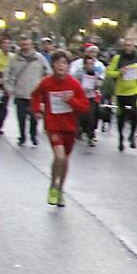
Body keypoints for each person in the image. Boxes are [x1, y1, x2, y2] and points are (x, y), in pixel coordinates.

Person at [29, 51, 91, 207]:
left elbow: (84, 107)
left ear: (68, 66)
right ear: (53, 65)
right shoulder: (46, 82)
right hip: (53, 126)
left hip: (69, 127)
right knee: (60, 157)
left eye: (64, 63)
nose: (60, 66)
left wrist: (71, 101)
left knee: (64, 160)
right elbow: (35, 95)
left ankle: (61, 189)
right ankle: (53, 187)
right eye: (57, 62)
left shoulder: (74, 84)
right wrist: (36, 110)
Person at [6, 37, 49, 146]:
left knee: (34, 117)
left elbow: (48, 72)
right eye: (23, 44)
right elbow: (8, 74)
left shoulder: (39, 58)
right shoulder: (14, 59)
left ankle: (33, 135)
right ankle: (22, 136)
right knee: (21, 117)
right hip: (20, 92)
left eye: (27, 44)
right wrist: (9, 88)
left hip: (35, 93)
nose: (25, 47)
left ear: (31, 45)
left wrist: (44, 86)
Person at [106, 38, 137, 151]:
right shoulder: (117, 58)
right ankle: (121, 138)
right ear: (123, 47)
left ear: (133, 47)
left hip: (134, 90)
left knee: (135, 112)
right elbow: (108, 73)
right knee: (121, 116)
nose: (128, 47)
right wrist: (119, 72)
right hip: (120, 91)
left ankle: (132, 135)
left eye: (130, 45)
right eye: (126, 45)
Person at [69, 46, 107, 146]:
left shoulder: (98, 68)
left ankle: (91, 135)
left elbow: (101, 80)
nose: (90, 65)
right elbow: (71, 78)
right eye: (91, 52)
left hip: (92, 96)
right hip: (80, 95)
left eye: (92, 64)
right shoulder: (78, 70)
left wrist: (98, 83)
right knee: (81, 115)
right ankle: (79, 129)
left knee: (92, 115)